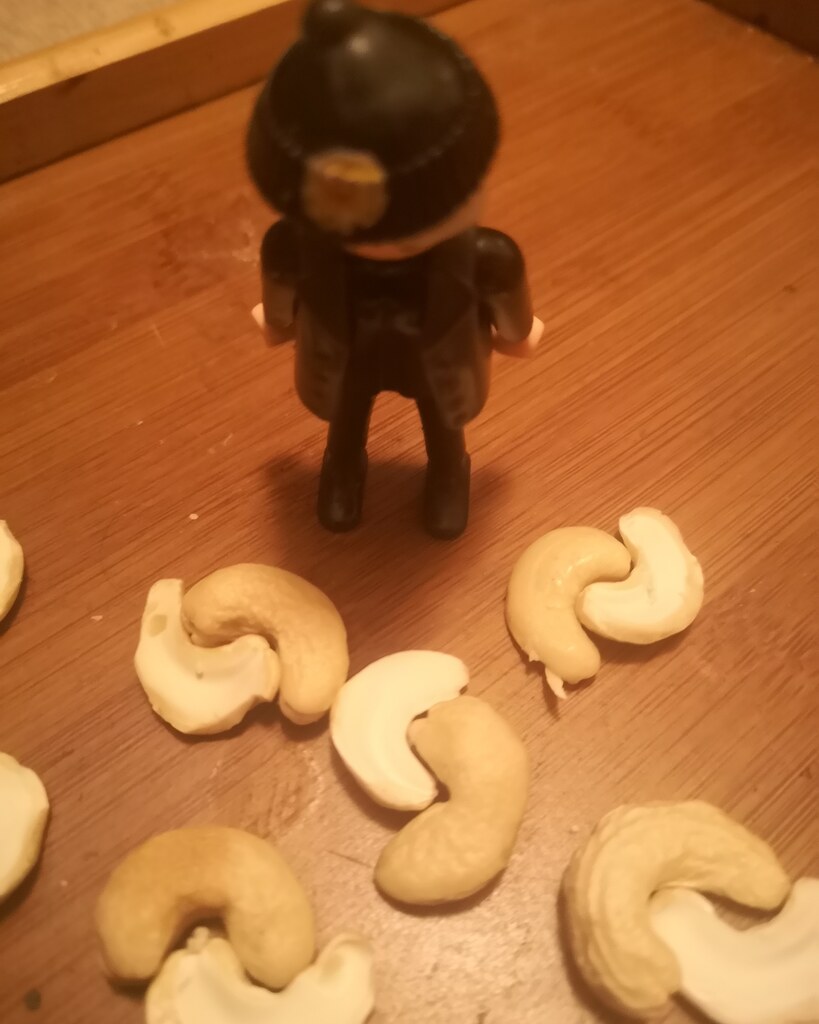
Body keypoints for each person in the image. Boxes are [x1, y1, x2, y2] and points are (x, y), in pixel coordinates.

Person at [247, 0, 541, 539]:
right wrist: (279, 319)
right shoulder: (298, 246)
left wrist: (517, 331)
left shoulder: (486, 256)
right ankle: (342, 468)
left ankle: (448, 474)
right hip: (346, 344)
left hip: (439, 349)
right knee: (347, 412)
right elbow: (280, 285)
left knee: (443, 420)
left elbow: (509, 303)